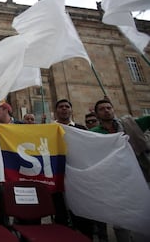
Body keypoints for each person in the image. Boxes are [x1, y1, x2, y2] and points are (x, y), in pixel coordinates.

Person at [91, 99, 150, 242]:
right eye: (102, 109)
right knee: (120, 221)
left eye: (109, 107)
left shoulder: (130, 125)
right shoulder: (94, 133)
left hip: (138, 176)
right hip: (115, 181)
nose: (106, 110)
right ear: (97, 114)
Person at [54, 99, 95, 239]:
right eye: (61, 107)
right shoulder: (48, 129)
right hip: (57, 177)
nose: (64, 109)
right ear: (56, 110)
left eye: (67, 106)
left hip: (78, 178)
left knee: (82, 217)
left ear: (71, 110)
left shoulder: (81, 129)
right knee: (60, 215)